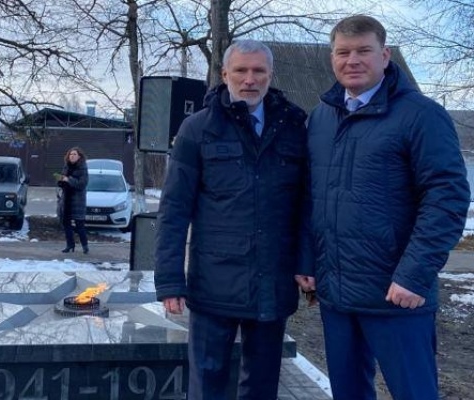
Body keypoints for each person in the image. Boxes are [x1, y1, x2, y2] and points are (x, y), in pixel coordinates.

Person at [298, 15, 470, 400]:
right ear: (332, 58)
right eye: (343, 52)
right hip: (337, 296)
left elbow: (447, 198)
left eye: (364, 51)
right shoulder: (321, 117)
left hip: (397, 294)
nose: (352, 60)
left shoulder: (421, 115)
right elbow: (311, 196)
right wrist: (307, 260)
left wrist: (414, 275)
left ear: (385, 55)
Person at [155, 40, 310, 400]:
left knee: (262, 387)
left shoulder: (293, 127)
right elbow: (174, 209)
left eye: (258, 71)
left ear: (271, 75)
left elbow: (306, 206)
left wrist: (306, 264)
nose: (249, 79)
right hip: (214, 284)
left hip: (272, 283)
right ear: (225, 74)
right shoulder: (198, 129)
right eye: (241, 70)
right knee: (207, 386)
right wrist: (170, 281)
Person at [56, 147, 89, 254]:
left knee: (79, 224)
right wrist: (60, 181)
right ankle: (70, 245)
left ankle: (85, 246)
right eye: (70, 154)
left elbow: (82, 184)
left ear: (79, 156)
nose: (72, 156)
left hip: (77, 200)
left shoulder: (83, 168)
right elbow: (63, 180)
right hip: (66, 199)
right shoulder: (66, 166)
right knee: (66, 223)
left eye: (74, 154)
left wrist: (68, 179)